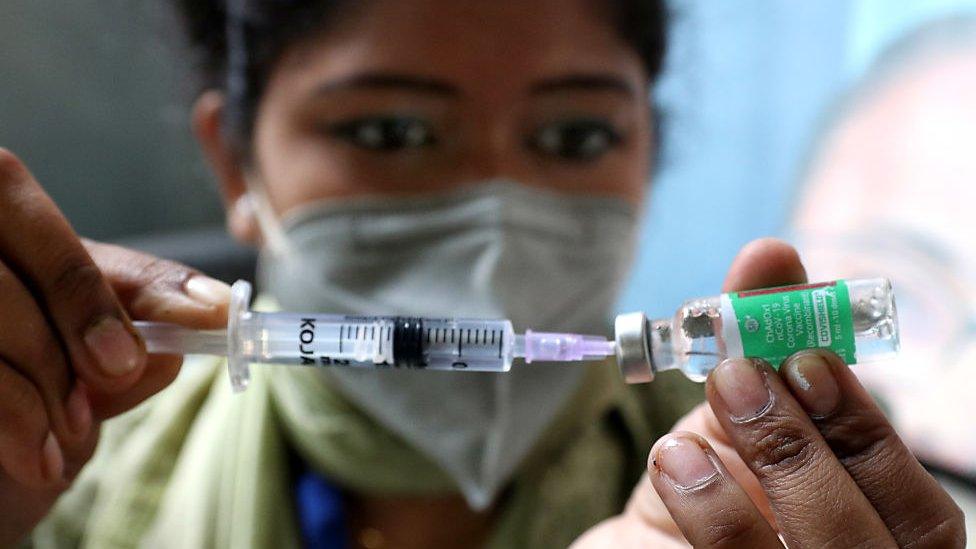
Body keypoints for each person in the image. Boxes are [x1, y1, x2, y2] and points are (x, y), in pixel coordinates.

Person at [0, 1, 964, 547]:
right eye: (389, 131)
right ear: (233, 164)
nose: (496, 230)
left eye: (575, 134)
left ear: (647, 152)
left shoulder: (759, 498)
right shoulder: (59, 476)